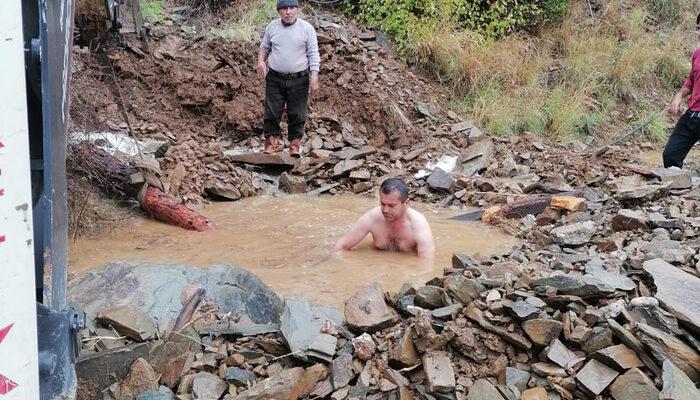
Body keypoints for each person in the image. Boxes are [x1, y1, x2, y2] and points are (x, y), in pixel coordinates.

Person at [257, 0, 320, 158]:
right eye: (284, 9)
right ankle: (270, 144)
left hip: (299, 78)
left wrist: (314, 78)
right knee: (271, 111)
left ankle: (294, 146)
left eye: (292, 8)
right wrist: (260, 62)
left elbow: (313, 53)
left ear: (297, 9)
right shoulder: (272, 27)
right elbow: (264, 47)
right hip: (275, 78)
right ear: (279, 11)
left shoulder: (306, 29)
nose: (288, 12)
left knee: (297, 113)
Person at [332, 178, 436, 258]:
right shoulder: (372, 217)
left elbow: (426, 262)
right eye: (382, 204)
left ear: (406, 203)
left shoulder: (418, 225)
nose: (385, 210)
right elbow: (342, 245)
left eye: (391, 206)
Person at [663, 12, 700, 169]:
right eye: (698, 28)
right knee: (670, 156)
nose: (699, 33)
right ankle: (679, 191)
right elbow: (691, 80)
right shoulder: (697, 54)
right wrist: (678, 96)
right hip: (692, 116)